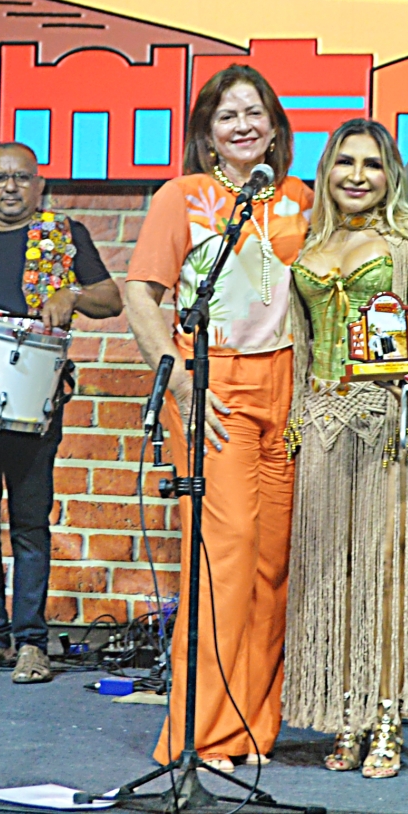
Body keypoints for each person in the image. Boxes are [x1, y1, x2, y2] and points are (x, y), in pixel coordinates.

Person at [123, 66, 313, 772]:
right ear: (206, 133)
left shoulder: (299, 199)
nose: (242, 126)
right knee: (223, 562)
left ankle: (250, 728)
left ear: (275, 126)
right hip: (217, 386)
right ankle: (198, 734)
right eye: (227, 115)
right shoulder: (183, 197)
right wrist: (179, 380)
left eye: (254, 112)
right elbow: (140, 294)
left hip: (287, 386)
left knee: (272, 566)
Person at [284, 120, 408, 779]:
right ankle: (345, 709)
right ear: (326, 170)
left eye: (373, 164)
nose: (357, 175)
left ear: (391, 176)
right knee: (333, 571)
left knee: (385, 572)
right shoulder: (309, 242)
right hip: (320, 418)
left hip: (389, 419)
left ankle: (387, 714)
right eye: (345, 162)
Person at [0, 143, 122, 684]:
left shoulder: (64, 235)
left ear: (40, 185)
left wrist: (72, 295)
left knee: (30, 524)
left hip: (33, 400)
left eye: (21, 177)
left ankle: (32, 641)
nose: (10, 187)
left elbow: (111, 299)